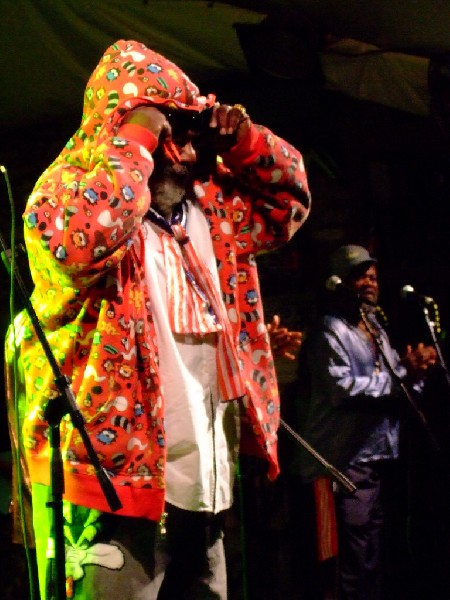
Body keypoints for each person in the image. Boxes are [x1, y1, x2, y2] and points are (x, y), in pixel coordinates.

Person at [5, 39, 311, 599]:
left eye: (190, 122)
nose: (186, 136)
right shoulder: (67, 199)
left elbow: (289, 198)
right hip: (110, 488)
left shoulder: (214, 211)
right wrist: (136, 138)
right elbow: (82, 240)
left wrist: (242, 140)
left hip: (203, 486)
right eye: (170, 122)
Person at [296, 244, 437, 600]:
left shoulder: (376, 328)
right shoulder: (330, 332)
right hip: (341, 465)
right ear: (339, 281)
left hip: (374, 462)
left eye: (374, 275)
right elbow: (344, 389)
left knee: (373, 557)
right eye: (361, 274)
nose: (371, 281)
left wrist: (416, 371)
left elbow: (396, 386)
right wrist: (404, 373)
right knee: (349, 562)